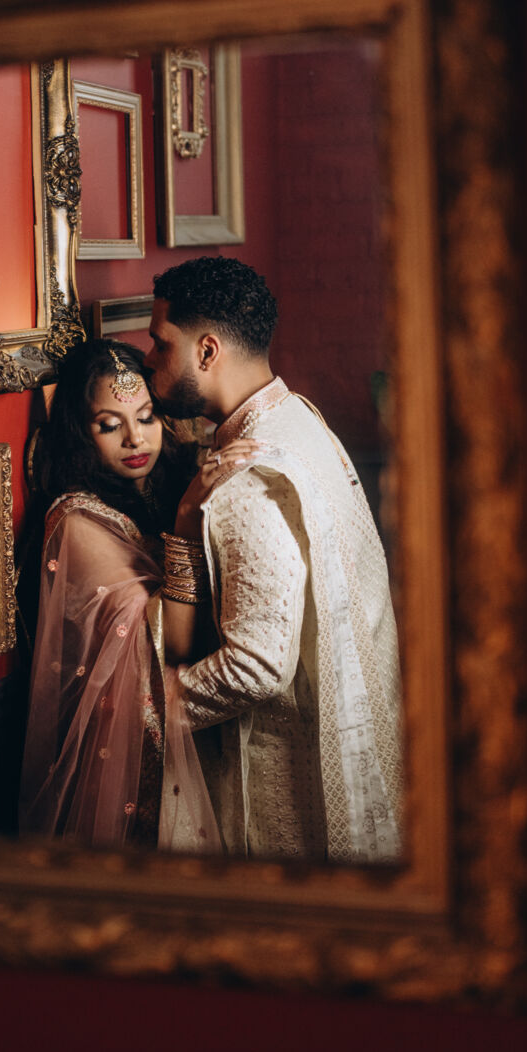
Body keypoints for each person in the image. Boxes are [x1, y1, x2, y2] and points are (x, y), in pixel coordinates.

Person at [146, 256, 405, 865]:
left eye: (160, 343)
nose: (151, 359)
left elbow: (258, 665)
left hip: (289, 780)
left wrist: (156, 705)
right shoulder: (301, 417)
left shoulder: (249, 477)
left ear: (207, 351)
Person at [17, 338, 224, 852]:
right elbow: (171, 642)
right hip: (129, 751)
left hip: (199, 720)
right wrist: (186, 522)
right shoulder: (77, 519)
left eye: (147, 417)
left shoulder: (163, 483)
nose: (136, 438)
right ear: (79, 432)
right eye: (110, 425)